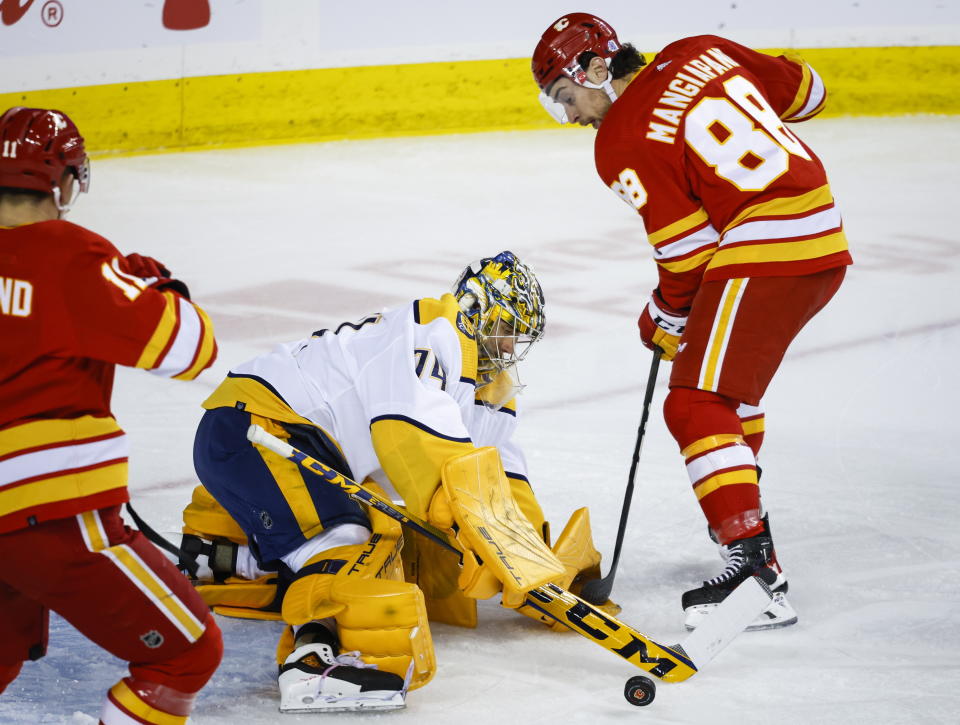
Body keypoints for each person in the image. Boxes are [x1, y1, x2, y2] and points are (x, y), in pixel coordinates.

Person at [178, 250, 610, 712]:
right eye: (506, 330)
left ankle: (224, 559)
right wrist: (477, 533)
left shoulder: (486, 388)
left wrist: (532, 557)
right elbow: (413, 438)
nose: (509, 347)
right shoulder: (434, 332)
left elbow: (498, 471)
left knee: (379, 545)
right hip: (259, 428)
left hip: (281, 437)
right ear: (479, 310)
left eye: (517, 337)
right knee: (348, 541)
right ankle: (311, 665)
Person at [531, 14, 853, 630]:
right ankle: (744, 523)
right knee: (728, 396)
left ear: (596, 69)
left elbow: (687, 254)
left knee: (692, 404)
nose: (572, 118)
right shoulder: (700, 49)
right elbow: (809, 91)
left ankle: (756, 573)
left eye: (567, 99)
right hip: (819, 235)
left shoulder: (619, 139)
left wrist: (662, 317)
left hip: (768, 244)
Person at [0, 107, 223, 724]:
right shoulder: (71, 256)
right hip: (50, 518)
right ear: (64, 180)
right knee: (187, 654)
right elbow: (190, 350)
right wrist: (161, 288)